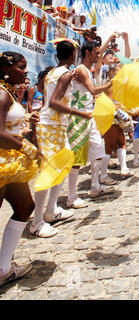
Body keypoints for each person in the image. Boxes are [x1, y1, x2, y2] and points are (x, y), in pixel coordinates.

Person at [30, 40, 92, 238]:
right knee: (49, 171)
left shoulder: (53, 72)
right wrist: (79, 113)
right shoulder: (64, 74)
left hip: (54, 126)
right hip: (52, 126)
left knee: (63, 165)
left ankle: (51, 210)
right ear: (73, 53)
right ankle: (37, 222)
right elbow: (54, 102)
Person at [0, 52, 40, 287]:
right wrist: (27, 147)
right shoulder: (2, 94)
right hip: (4, 163)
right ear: (7, 68)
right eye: (21, 67)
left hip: (10, 165)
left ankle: (4, 268)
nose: (25, 72)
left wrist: (26, 121)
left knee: (26, 207)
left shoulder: (7, 93)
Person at [67, 40, 115, 209]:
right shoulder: (81, 70)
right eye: (96, 53)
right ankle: (71, 197)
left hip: (89, 115)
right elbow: (93, 91)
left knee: (98, 150)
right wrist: (111, 84)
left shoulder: (87, 68)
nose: (98, 55)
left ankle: (95, 186)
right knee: (77, 158)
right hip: (79, 117)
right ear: (87, 54)